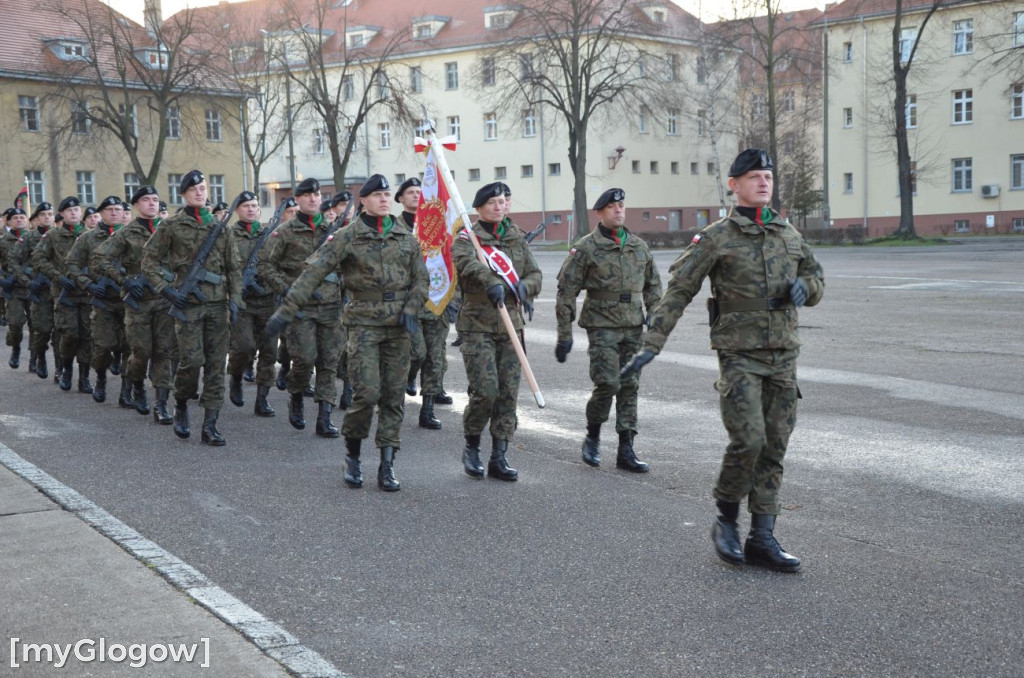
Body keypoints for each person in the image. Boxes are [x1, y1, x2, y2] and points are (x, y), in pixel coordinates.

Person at [621, 149, 824, 572]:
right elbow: (678, 290)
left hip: (784, 355)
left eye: (767, 175)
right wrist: (650, 344)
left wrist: (806, 288)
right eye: (753, 176)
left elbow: (816, 277)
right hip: (740, 356)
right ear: (734, 185)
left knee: (775, 445)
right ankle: (727, 520)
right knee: (748, 441)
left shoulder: (788, 232)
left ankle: (763, 537)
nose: (763, 182)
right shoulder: (716, 237)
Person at [266, 174, 428, 492]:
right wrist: (285, 312)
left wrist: (412, 307)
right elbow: (313, 273)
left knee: (394, 398)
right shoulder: (346, 236)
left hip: (398, 327)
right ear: (363, 201)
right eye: (377, 194)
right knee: (366, 394)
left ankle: (387, 463)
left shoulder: (406, 237)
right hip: (364, 325)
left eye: (386, 194)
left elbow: (421, 279)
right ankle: (353, 456)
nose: (383, 199)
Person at [555, 188, 662, 472]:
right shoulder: (586, 248)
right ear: (599, 213)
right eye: (612, 207)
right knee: (608, 383)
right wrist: (564, 333)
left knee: (630, 385)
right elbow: (567, 290)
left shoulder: (639, 246)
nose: (618, 210)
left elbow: (653, 284)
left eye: (622, 206)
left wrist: (655, 312)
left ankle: (626, 448)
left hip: (632, 325)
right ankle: (592, 435)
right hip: (602, 324)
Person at [142, 170, 244, 445]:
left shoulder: (220, 227)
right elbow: (149, 262)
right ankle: (182, 403)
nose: (200, 192)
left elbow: (234, 268)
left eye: (203, 188)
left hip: (217, 305)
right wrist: (168, 290)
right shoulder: (171, 226)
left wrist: (235, 301)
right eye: (194, 189)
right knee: (191, 361)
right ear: (184, 194)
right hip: (187, 306)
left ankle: (210, 425)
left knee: (215, 365)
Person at [451, 182, 541, 481]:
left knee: (507, 394)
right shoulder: (467, 237)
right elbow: (465, 264)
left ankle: (499, 456)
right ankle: (472, 445)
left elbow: (534, 274)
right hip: (477, 324)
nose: (500, 206)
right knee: (485, 391)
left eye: (504, 201)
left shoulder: (516, 237)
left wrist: (522, 287)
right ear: (479, 208)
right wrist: (492, 282)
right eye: (493, 202)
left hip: (511, 325)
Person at [258, 178, 343, 437]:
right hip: (300, 308)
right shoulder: (284, 232)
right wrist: (287, 289)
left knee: (329, 362)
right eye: (307, 195)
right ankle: (296, 394)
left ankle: (324, 417)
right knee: (304, 360)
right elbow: (264, 266)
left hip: (330, 307)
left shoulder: (334, 232)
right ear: (298, 198)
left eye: (316, 194)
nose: (313, 199)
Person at [94, 185, 177, 423]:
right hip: (138, 302)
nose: (152, 203)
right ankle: (137, 386)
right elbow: (100, 258)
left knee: (164, 352)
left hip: (164, 300)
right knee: (140, 352)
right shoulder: (125, 233)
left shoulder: (169, 230)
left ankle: (161, 405)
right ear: (136, 205)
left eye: (155, 199)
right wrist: (124, 281)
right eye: (146, 200)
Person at [395, 177, 451, 430]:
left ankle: (427, 411)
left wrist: (453, 298)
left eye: (420, 191)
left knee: (435, 358)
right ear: (400, 198)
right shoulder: (393, 227)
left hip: (436, 300)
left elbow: (450, 261)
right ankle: (408, 377)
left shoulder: (436, 226)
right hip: (407, 303)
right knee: (416, 352)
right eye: (410, 192)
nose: (416, 195)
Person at [66, 196, 132, 407]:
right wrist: (88, 284)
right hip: (102, 301)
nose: (114, 213)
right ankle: (101, 377)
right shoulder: (87, 238)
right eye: (109, 210)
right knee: (103, 347)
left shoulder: (133, 236)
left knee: (129, 348)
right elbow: (72, 264)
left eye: (118, 210)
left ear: (123, 213)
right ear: (101, 213)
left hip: (129, 301)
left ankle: (126, 391)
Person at [32, 196, 93, 393]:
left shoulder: (90, 235)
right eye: (69, 210)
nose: (74, 212)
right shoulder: (52, 236)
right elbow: (39, 259)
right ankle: (65, 368)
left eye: (77, 209)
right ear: (63, 214)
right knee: (69, 334)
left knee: (87, 336)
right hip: (63, 293)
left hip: (86, 293)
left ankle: (84, 377)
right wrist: (57, 277)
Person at [227, 190, 278, 417]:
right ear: (238, 210)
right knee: (244, 347)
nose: (251, 209)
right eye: (246, 205)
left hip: (268, 301)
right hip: (243, 302)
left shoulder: (271, 235)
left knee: (269, 351)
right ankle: (236, 376)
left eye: (254, 205)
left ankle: (262, 399)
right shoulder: (227, 236)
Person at [20, 203, 56, 379]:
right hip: (39, 291)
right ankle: (39, 357)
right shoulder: (28, 238)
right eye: (43, 214)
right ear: (37, 218)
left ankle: (61, 369)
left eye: (50, 214)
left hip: (59, 290)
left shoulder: (61, 236)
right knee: (41, 329)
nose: (47, 217)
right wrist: (27, 281)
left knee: (62, 332)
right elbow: (14, 261)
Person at [0, 208, 31, 370]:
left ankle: (36, 357)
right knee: (15, 324)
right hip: (12, 289)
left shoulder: (34, 239)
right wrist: (2, 280)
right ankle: (16, 348)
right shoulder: (3, 241)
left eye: (22, 217)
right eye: (15, 218)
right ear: (9, 221)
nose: (19, 220)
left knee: (37, 327)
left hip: (33, 288)